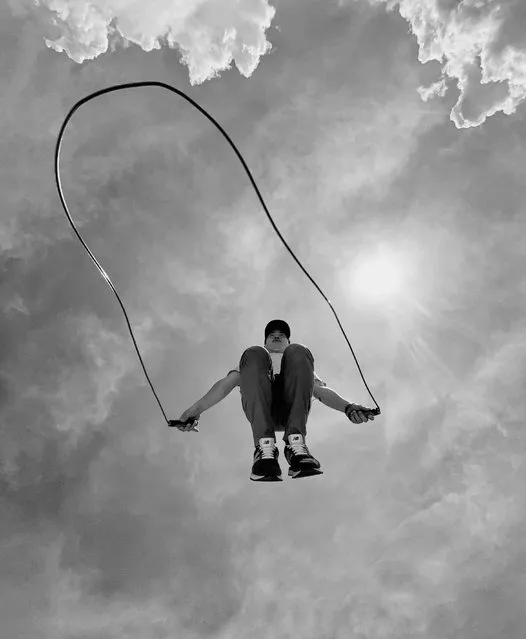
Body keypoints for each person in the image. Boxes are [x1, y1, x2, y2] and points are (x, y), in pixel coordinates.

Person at [174, 319, 376, 482]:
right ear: (266, 342)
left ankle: (295, 447)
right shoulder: (256, 359)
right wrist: (195, 409)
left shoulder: (295, 358)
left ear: (286, 341)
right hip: (263, 408)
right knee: (252, 353)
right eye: (272, 335)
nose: (277, 335)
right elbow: (227, 384)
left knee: (300, 351)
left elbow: (320, 391)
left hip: (291, 409)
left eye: (282, 335)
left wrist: (348, 407)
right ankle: (265, 449)